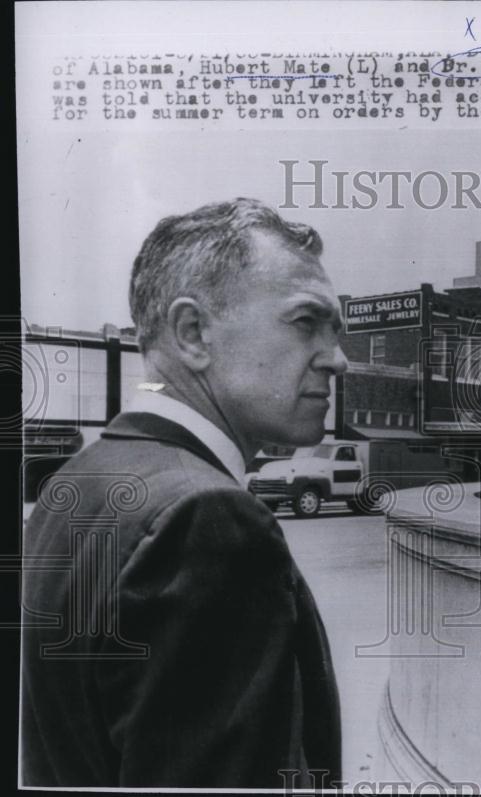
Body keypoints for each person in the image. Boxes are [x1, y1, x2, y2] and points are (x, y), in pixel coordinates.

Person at [21, 198, 347, 787]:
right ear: (193, 333)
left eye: (337, 330)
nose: (338, 359)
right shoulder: (210, 518)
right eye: (306, 323)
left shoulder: (76, 481)